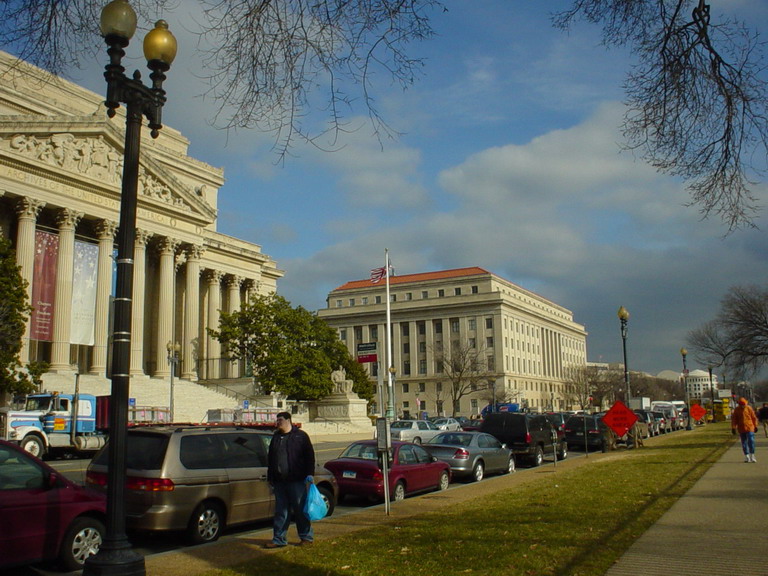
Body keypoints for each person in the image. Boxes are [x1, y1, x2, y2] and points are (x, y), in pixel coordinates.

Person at [265, 411, 316, 548]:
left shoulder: (300, 436)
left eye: (280, 420)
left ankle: (306, 537)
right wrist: (271, 477)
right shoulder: (276, 437)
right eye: (277, 420)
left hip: (297, 481)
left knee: (300, 510)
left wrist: (310, 474)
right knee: (281, 511)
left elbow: (309, 456)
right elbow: (271, 459)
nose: (278, 422)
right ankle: (279, 539)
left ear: (288, 420)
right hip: (280, 481)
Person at [731, 397, 758, 463]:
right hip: (741, 428)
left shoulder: (749, 408)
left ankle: (752, 455)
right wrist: (733, 427)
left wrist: (755, 426)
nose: (743, 406)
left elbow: (753, 417)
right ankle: (747, 456)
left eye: (744, 405)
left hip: (750, 427)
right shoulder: (737, 410)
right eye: (741, 405)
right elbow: (734, 419)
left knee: (751, 441)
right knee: (744, 443)